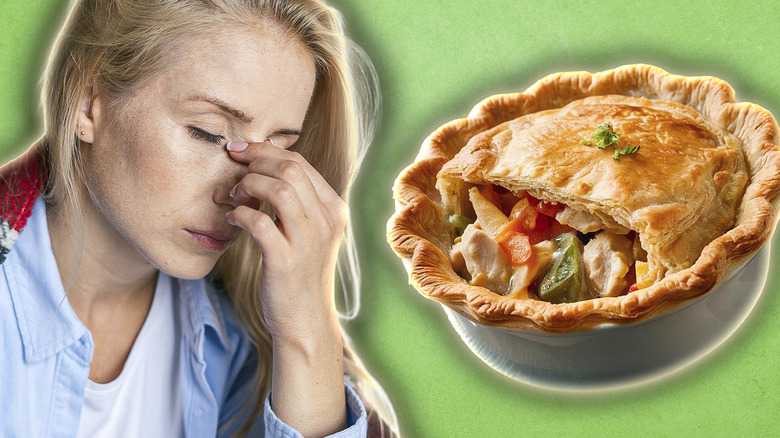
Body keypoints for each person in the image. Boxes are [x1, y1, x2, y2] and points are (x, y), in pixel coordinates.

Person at [0, 0, 395, 436]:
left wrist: (307, 331)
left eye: (277, 150)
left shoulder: (245, 344)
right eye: (208, 133)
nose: (240, 193)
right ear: (88, 103)